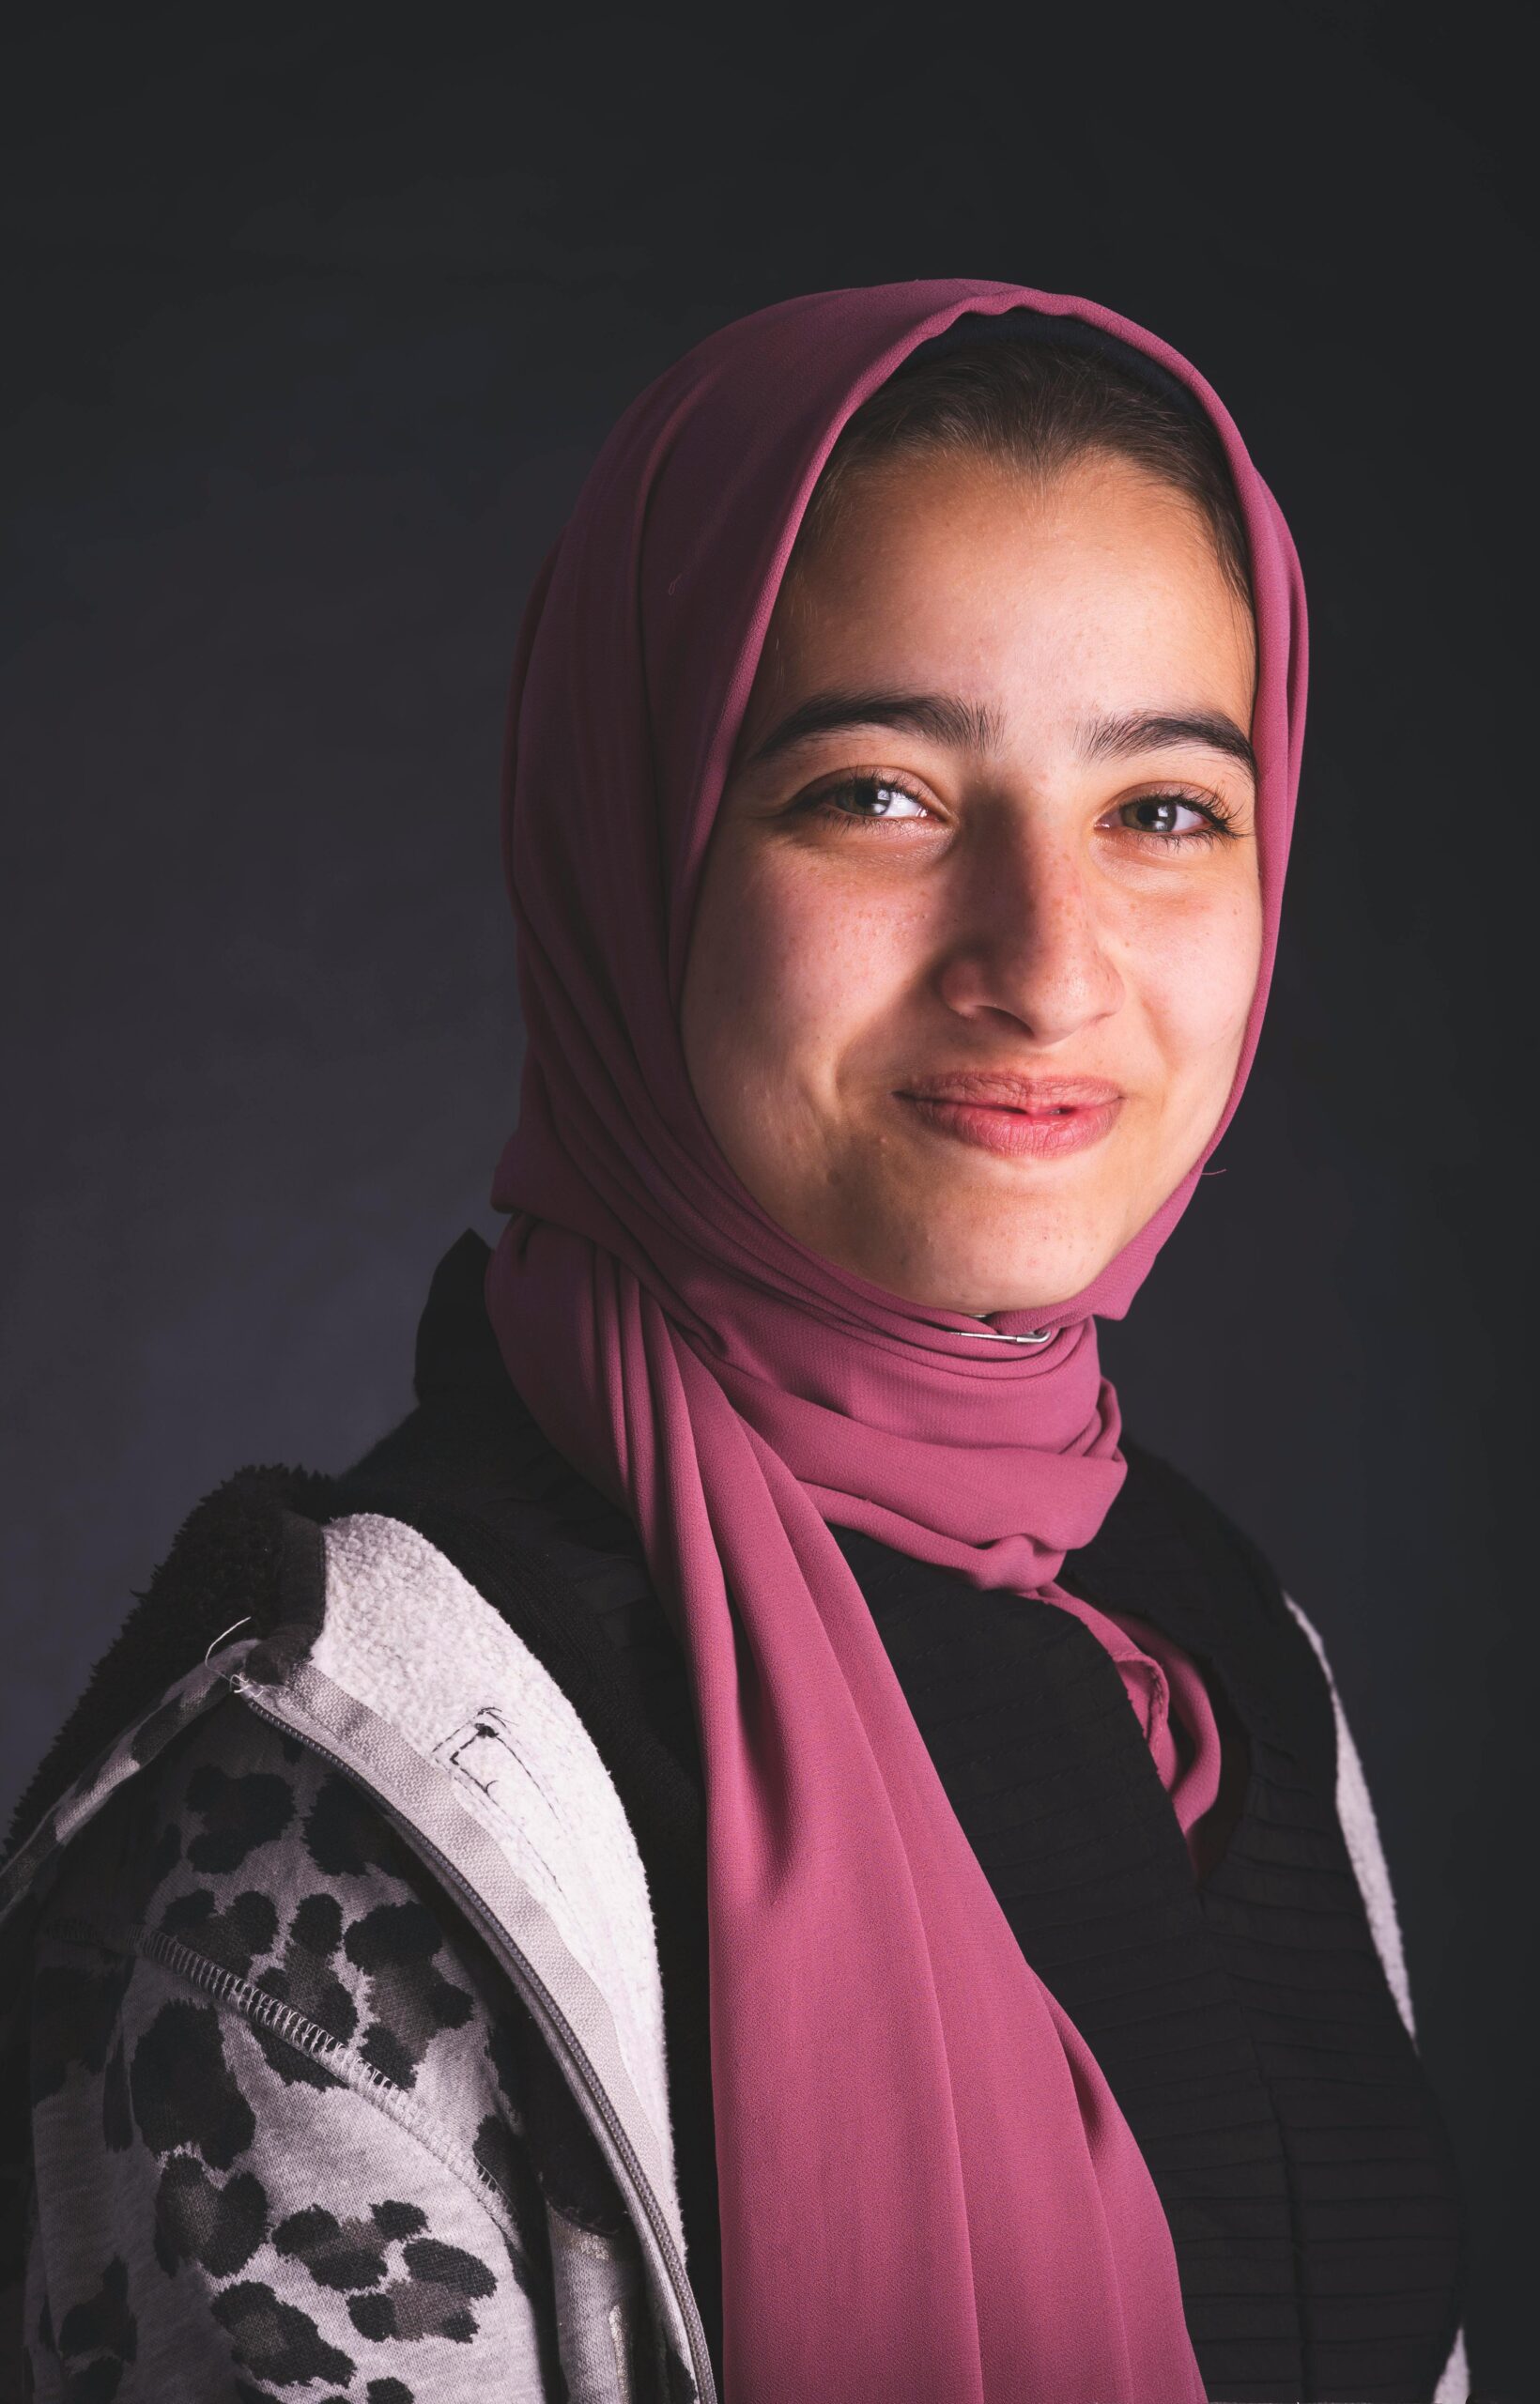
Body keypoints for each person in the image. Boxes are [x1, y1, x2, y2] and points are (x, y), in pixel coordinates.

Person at [0, 282, 1467, 2403]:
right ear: (636, 840)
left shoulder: (1229, 1662)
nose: (1045, 965)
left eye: (1163, 808)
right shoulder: (334, 1813)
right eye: (876, 791)